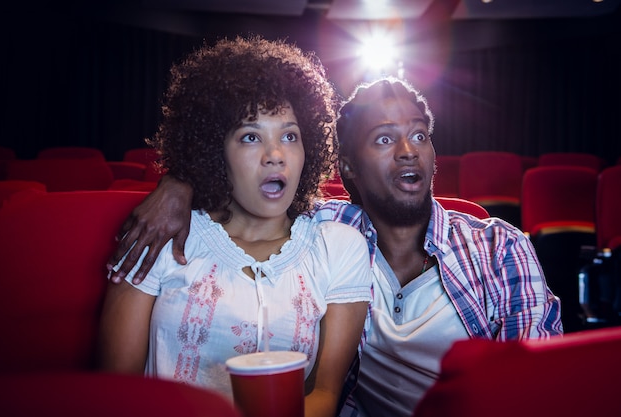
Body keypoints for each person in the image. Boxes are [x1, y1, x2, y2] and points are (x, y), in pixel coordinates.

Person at [107, 76, 563, 417]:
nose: (409, 150)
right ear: (346, 168)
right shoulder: (326, 229)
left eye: (420, 135)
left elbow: (535, 385)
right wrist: (178, 182)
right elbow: (253, 188)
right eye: (385, 139)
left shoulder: (498, 246)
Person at [99, 36, 372, 417]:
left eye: (289, 136)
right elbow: (116, 393)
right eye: (250, 136)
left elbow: (323, 396)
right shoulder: (160, 231)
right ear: (214, 149)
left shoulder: (339, 246)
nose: (275, 155)